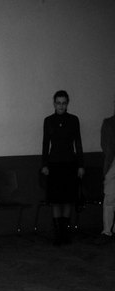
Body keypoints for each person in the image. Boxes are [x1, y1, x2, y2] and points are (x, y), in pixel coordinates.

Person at [41, 90, 84, 245]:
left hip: (70, 164)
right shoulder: (48, 120)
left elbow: (78, 143)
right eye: (58, 103)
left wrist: (81, 165)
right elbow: (45, 143)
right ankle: (58, 234)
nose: (61, 105)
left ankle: (65, 233)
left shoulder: (73, 120)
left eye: (64, 103)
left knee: (68, 200)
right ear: (54, 103)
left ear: (67, 104)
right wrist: (44, 164)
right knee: (56, 200)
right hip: (54, 164)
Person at [95, 97, 115, 244]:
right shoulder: (108, 123)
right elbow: (105, 145)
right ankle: (107, 230)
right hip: (112, 162)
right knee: (109, 197)